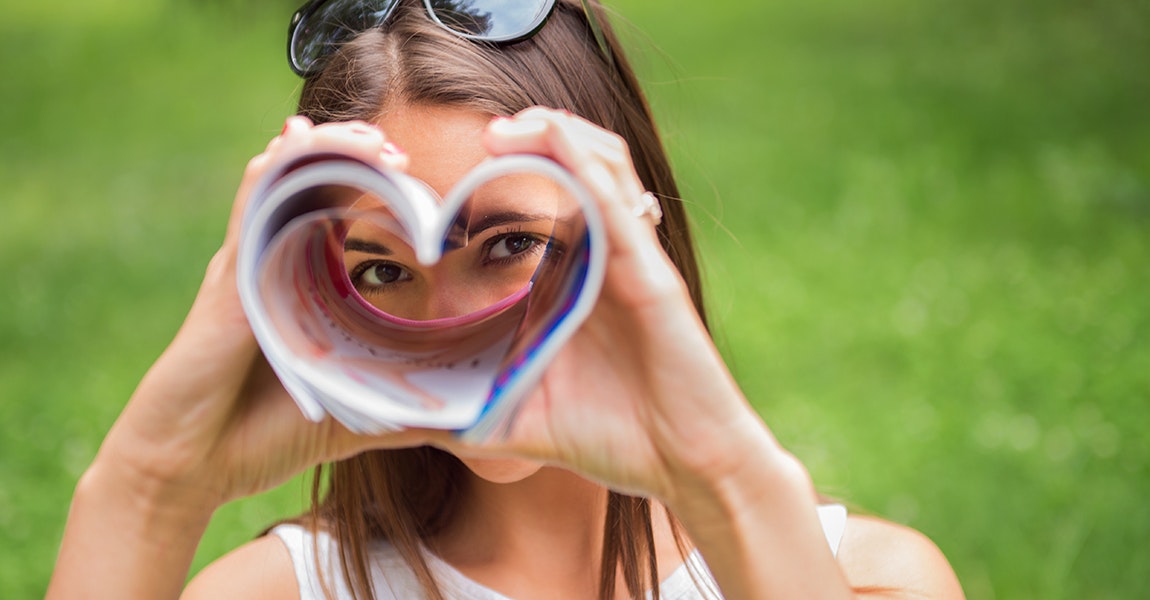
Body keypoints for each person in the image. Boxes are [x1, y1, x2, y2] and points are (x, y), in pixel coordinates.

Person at [47, 0, 965, 598]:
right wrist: (154, 489)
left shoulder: (869, 580)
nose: (446, 324)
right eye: (380, 269)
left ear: (625, 226)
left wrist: (723, 475)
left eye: (511, 245)